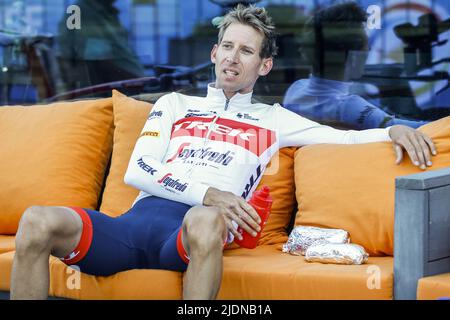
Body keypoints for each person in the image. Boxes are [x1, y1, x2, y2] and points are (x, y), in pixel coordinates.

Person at [11, 4, 437, 300]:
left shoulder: (275, 119)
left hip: (191, 235)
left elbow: (343, 138)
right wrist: (210, 192)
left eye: (247, 51)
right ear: (215, 54)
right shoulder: (175, 104)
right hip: (130, 228)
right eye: (228, 47)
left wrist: (391, 127)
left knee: (205, 218)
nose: (234, 58)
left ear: (263, 66)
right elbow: (139, 171)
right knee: (37, 219)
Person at [283, 2, 428, 130]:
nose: (369, 50)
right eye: (365, 45)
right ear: (353, 55)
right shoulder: (349, 107)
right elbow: (417, 129)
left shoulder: (295, 90)